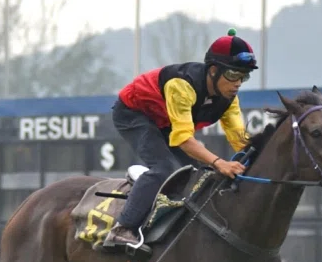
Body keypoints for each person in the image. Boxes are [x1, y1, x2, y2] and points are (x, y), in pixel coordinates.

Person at [102, 28, 256, 249]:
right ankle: (123, 228)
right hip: (134, 113)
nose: (238, 83)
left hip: (165, 122)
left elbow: (241, 140)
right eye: (233, 75)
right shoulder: (182, 85)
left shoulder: (229, 100)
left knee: (196, 175)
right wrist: (219, 163)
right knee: (165, 168)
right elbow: (183, 139)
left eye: (244, 77)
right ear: (213, 70)